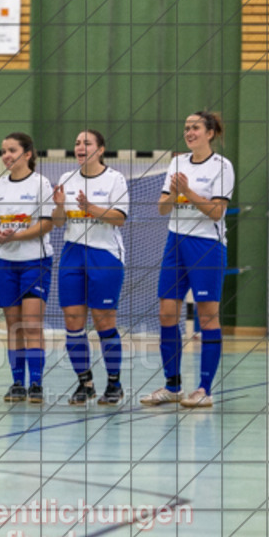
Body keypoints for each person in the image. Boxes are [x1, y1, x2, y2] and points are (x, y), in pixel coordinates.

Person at [141, 111, 235, 409]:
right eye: (186, 128)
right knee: (167, 313)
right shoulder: (177, 162)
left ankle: (204, 389)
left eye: (195, 128)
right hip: (175, 243)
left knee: (207, 316)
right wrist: (173, 194)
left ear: (210, 133)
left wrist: (188, 191)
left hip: (206, 246)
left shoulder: (222, 166)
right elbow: (162, 208)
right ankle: (173, 386)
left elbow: (216, 212)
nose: (189, 132)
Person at [52, 130, 129, 406]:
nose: (80, 147)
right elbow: (59, 223)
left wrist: (90, 207)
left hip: (104, 255)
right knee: (73, 322)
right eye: (76, 143)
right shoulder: (66, 179)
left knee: (104, 321)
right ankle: (85, 383)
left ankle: (114, 383)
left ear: (100, 149)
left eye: (86, 143)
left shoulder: (115, 179)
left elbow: (119, 218)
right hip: (72, 253)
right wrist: (59, 207)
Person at [0, 132, 54, 404]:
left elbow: (47, 223)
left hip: (35, 261)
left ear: (27, 154)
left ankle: (36, 383)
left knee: (32, 324)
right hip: (4, 263)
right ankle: (17, 383)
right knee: (14, 326)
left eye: (12, 150)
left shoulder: (40, 184)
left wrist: (17, 236)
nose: (6, 156)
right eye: (3, 151)